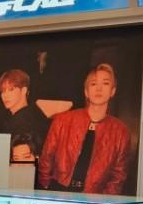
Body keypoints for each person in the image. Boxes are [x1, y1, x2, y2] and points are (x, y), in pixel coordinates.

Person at [38, 64, 131, 195]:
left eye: (105, 83)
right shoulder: (63, 120)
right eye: (93, 84)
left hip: (95, 197)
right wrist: (47, 188)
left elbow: (118, 175)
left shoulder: (120, 131)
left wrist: (104, 199)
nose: (99, 88)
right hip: (59, 191)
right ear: (86, 92)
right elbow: (46, 159)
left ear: (113, 91)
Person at [0, 69, 49, 149]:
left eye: (11, 89)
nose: (5, 95)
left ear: (24, 91)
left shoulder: (24, 121)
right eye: (3, 91)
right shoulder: (33, 112)